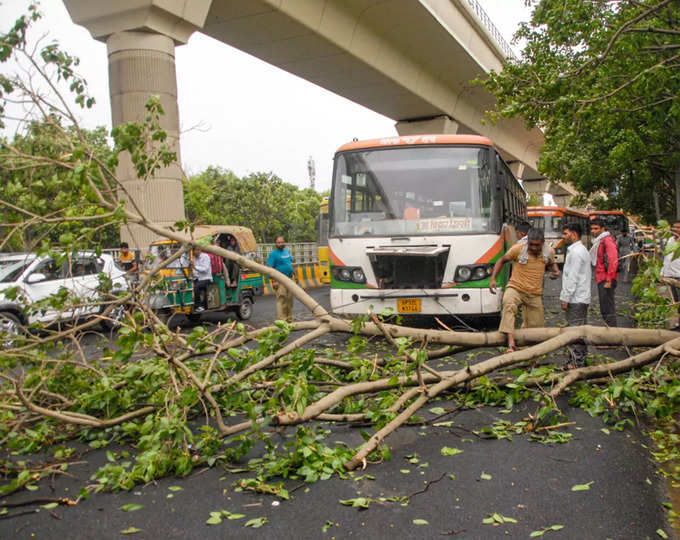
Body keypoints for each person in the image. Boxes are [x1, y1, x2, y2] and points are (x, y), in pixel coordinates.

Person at [489, 227, 560, 351]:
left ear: (543, 242)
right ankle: (511, 343)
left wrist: (556, 272)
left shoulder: (549, 252)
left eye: (537, 245)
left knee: (536, 326)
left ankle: (529, 350)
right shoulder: (518, 249)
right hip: (516, 287)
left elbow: (551, 264)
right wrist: (493, 278)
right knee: (508, 304)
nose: (533, 248)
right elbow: (501, 260)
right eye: (531, 244)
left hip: (534, 293)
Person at [560, 222, 591, 368]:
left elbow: (573, 277)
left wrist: (565, 298)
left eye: (565, 233)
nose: (563, 237)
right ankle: (574, 360)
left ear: (574, 234)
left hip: (576, 297)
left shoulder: (578, 252)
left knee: (576, 330)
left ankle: (578, 362)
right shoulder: (576, 250)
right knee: (575, 329)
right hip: (577, 296)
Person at [590, 218, 619, 327]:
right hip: (602, 278)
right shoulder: (600, 241)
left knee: (607, 309)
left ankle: (612, 337)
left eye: (596, 228)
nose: (593, 231)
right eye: (592, 229)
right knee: (605, 308)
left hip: (606, 279)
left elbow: (613, 261)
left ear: (603, 228)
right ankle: (610, 335)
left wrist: (609, 280)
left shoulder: (607, 240)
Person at [266, 236, 294, 322]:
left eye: (282, 242)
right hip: (279, 280)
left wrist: (294, 275)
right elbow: (270, 268)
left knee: (290, 300)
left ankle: (289, 320)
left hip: (289, 279)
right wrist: (273, 281)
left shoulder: (287, 251)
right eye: (279, 242)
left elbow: (290, 263)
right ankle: (282, 320)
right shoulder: (273, 254)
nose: (281, 244)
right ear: (275, 243)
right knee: (282, 300)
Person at [661, 220, 680, 328]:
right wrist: (662, 273)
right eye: (674, 227)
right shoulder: (670, 240)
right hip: (668, 276)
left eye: (678, 227)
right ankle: (674, 327)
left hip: (679, 277)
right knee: (670, 303)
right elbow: (666, 258)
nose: (675, 229)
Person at [192, 245, 212, 312]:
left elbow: (205, 269)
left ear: (200, 250)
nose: (196, 251)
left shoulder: (205, 257)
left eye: (198, 250)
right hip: (197, 279)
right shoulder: (193, 258)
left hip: (206, 278)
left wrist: (195, 267)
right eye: (195, 250)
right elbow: (193, 271)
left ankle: (199, 306)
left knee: (196, 287)